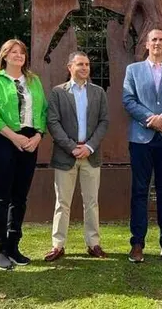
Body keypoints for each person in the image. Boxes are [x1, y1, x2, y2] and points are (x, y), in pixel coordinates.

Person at [0, 39, 48, 270]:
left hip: (30, 140)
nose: (19, 56)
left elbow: (43, 110)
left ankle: (13, 246)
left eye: (22, 52)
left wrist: (38, 135)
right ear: (4, 55)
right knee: (2, 195)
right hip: (4, 138)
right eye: (13, 52)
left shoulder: (33, 80)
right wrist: (14, 137)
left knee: (20, 196)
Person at [122, 28, 162, 263]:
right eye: (154, 40)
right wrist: (151, 119)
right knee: (139, 190)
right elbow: (128, 99)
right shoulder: (133, 70)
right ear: (146, 44)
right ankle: (137, 243)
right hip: (141, 138)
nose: (157, 43)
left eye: (161, 40)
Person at [43, 51, 110, 262]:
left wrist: (89, 146)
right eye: (80, 64)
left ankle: (93, 243)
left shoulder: (98, 92)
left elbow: (104, 122)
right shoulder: (58, 92)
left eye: (87, 64)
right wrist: (72, 147)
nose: (84, 68)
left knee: (92, 202)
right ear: (70, 67)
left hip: (91, 155)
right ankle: (58, 245)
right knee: (62, 202)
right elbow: (53, 122)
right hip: (66, 155)